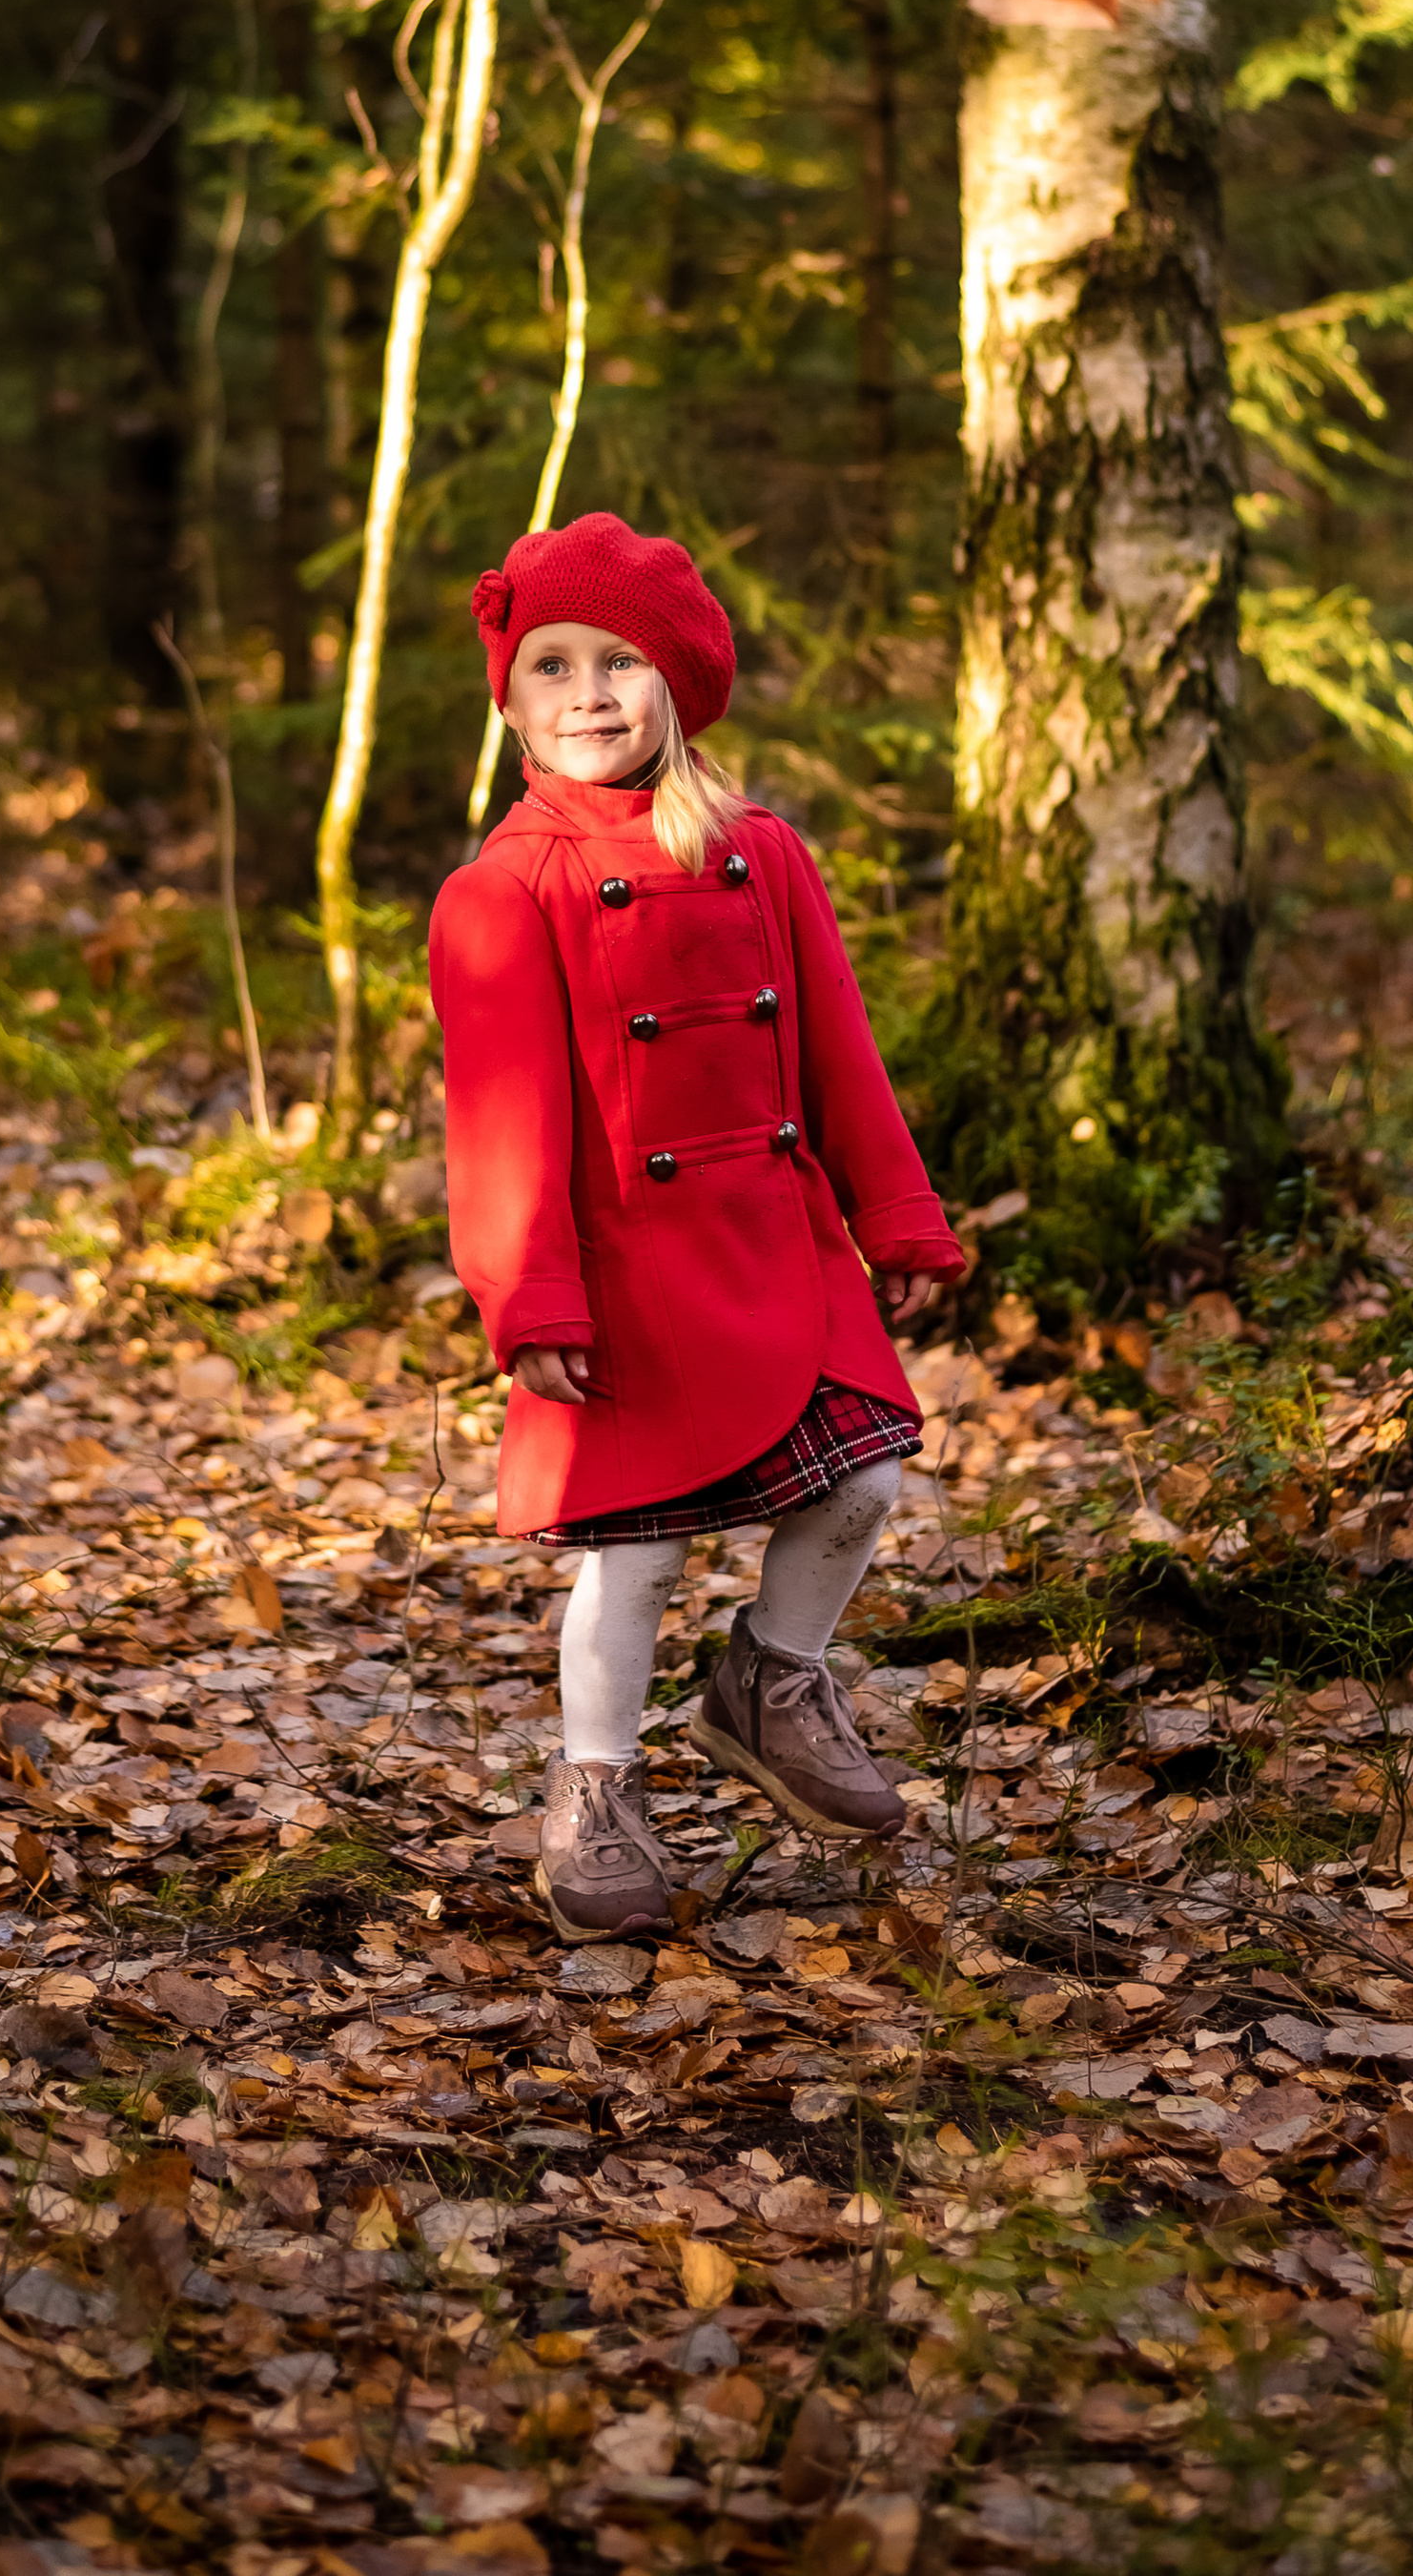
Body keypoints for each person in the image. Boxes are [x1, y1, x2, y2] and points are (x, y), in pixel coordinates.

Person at [428, 512, 968, 1944]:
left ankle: (771, 1681)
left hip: (778, 1237)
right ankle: (593, 1788)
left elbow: (841, 1054)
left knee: (863, 1481)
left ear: (678, 683)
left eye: (619, 663)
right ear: (511, 698)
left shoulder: (765, 855)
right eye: (552, 666)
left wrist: (896, 1217)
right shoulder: (508, 888)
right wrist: (527, 1299)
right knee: (640, 1557)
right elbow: (500, 1122)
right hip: (627, 1266)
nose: (589, 694)